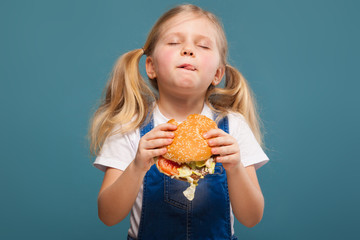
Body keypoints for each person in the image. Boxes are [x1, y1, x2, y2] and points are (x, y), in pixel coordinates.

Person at [89, 4, 269, 240]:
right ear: (151, 66)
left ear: (217, 74)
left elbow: (252, 217)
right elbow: (108, 216)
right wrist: (137, 166)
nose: (188, 50)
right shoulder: (130, 127)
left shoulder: (232, 127)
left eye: (203, 45)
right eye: (174, 43)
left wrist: (235, 168)